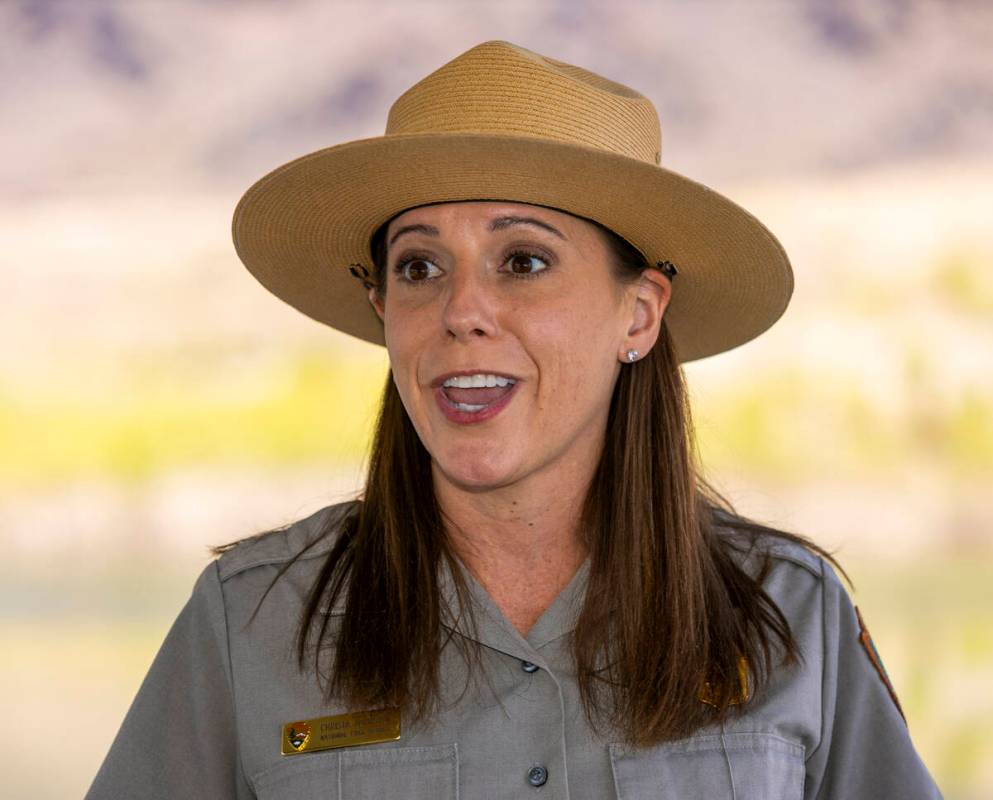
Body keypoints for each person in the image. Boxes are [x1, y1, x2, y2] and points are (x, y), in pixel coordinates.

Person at [86, 40, 942, 799]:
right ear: (383, 307)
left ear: (637, 315)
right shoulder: (250, 621)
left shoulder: (788, 613)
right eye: (418, 266)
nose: (462, 311)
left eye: (522, 260)